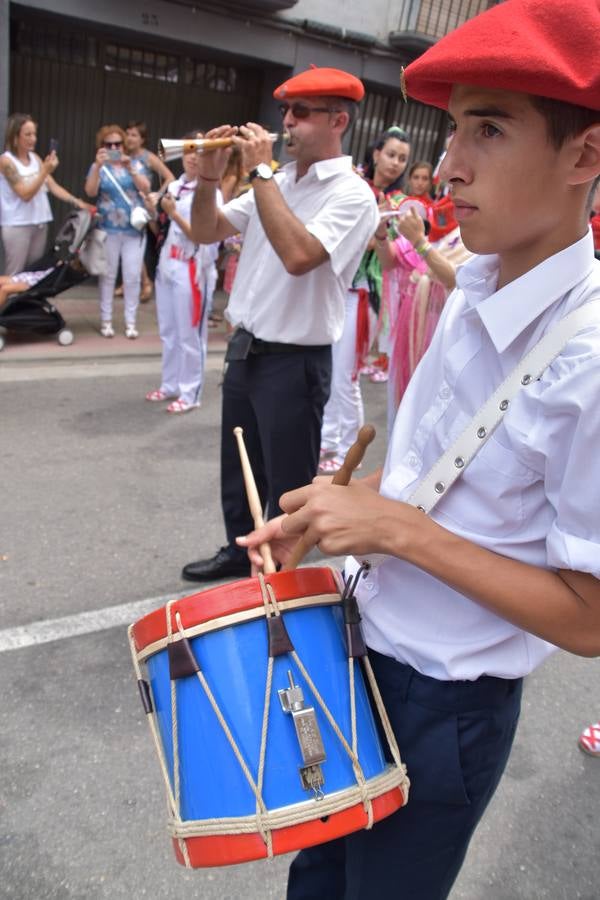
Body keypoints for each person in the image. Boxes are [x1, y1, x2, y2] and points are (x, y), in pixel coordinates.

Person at [237, 1, 600, 896]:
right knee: (315, 882)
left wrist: (393, 532)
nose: (450, 164)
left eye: (489, 128)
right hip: (359, 649)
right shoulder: (475, 280)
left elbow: (589, 616)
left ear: (584, 157)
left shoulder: (590, 360)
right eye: (451, 128)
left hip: (449, 705)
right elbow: (436, 474)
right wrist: (330, 520)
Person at [180, 66, 379, 582]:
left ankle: (283, 579)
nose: (286, 123)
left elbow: (299, 254)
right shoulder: (280, 179)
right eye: (285, 111)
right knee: (238, 466)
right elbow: (205, 229)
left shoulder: (353, 194)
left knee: (289, 483)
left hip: (295, 360)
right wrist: (207, 176)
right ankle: (239, 549)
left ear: (339, 120)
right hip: (247, 348)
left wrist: (260, 171)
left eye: (301, 113)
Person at [319, 126, 410, 473]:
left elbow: (389, 262)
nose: (395, 163)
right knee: (330, 373)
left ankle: (348, 451)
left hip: (363, 296)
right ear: (375, 154)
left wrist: (379, 236)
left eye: (402, 158)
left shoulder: (400, 206)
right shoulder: (353, 186)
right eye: (390, 154)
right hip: (334, 291)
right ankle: (328, 440)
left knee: (346, 377)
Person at [374, 202, 471, 425]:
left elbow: (455, 280)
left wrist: (420, 242)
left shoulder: (478, 238)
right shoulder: (437, 231)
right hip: (410, 320)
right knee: (402, 394)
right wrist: (381, 236)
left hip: (437, 329)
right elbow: (388, 262)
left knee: (425, 402)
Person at [145, 139, 221, 413]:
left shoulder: (210, 192)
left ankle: (191, 393)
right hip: (168, 262)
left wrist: (173, 213)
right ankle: (170, 385)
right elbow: (159, 229)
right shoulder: (174, 186)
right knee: (168, 331)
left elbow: (203, 236)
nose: (192, 157)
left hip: (193, 266)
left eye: (199, 152)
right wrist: (154, 209)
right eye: (189, 151)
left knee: (190, 334)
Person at [0, 113, 91, 275]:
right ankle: (8, 301)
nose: (33, 139)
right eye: (28, 134)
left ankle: (25, 301)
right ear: (15, 136)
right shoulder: (6, 161)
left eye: (34, 134)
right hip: (18, 224)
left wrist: (78, 202)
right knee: (14, 274)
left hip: (40, 223)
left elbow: (53, 186)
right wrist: (45, 171)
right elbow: (25, 194)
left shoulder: (35, 158)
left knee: (34, 273)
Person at [84, 124, 150, 339]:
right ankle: (106, 321)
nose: (114, 147)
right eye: (108, 144)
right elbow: (90, 191)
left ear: (124, 145)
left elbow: (146, 188)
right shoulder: (99, 167)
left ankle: (131, 322)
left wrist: (130, 168)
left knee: (132, 277)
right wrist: (96, 165)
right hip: (108, 230)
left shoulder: (136, 164)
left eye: (117, 143)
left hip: (133, 230)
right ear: (102, 146)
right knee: (108, 276)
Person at [124, 120, 174, 302]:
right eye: (127, 134)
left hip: (143, 207)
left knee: (138, 245)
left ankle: (146, 282)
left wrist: (157, 195)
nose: (129, 138)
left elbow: (170, 177)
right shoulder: (122, 155)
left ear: (142, 139)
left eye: (134, 135)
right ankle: (131, 282)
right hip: (123, 207)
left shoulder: (148, 157)